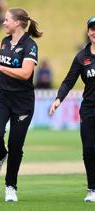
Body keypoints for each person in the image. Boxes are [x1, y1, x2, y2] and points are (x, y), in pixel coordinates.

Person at [0, 8, 42, 202]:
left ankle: (10, 186)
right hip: (2, 96)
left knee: (16, 145)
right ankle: (0, 155)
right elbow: (1, 61)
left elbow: (26, 73)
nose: (3, 23)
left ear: (18, 23)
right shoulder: (5, 42)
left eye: (7, 20)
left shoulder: (30, 45)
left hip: (22, 101)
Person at [49, 16, 95, 203]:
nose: (94, 32)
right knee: (89, 150)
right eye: (91, 29)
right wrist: (58, 99)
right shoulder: (82, 57)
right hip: (89, 109)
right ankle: (92, 189)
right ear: (88, 32)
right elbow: (69, 81)